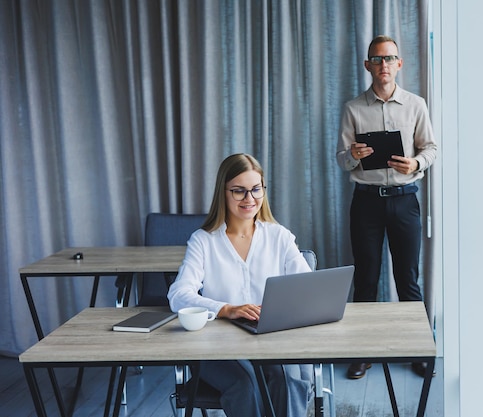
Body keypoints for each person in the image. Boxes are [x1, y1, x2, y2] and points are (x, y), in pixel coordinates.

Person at [167, 153, 313, 417]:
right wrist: (226, 309)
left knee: (288, 379)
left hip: (272, 338)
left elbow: (307, 287)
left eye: (256, 189)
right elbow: (178, 295)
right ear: (223, 192)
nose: (250, 199)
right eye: (239, 191)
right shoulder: (203, 241)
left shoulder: (279, 236)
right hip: (218, 345)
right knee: (246, 384)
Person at [336, 35, 437, 379]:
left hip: (405, 201)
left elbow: (431, 149)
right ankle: (362, 353)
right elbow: (340, 159)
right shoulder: (352, 109)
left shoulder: (416, 104)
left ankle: (418, 351)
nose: (384, 65)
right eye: (377, 59)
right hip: (365, 204)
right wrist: (352, 156)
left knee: (408, 280)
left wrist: (417, 164)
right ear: (368, 65)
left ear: (399, 64)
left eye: (390, 58)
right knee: (365, 280)